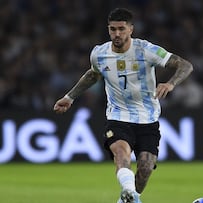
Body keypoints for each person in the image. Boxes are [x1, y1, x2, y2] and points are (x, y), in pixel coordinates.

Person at [53, 8, 193, 203]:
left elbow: (185, 65)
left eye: (121, 29)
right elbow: (93, 75)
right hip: (118, 116)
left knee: (144, 169)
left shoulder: (146, 50)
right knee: (121, 154)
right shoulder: (99, 53)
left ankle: (127, 198)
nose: (117, 34)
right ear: (108, 30)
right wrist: (70, 97)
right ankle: (128, 190)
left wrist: (170, 83)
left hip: (148, 118)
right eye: (112, 29)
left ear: (131, 29)